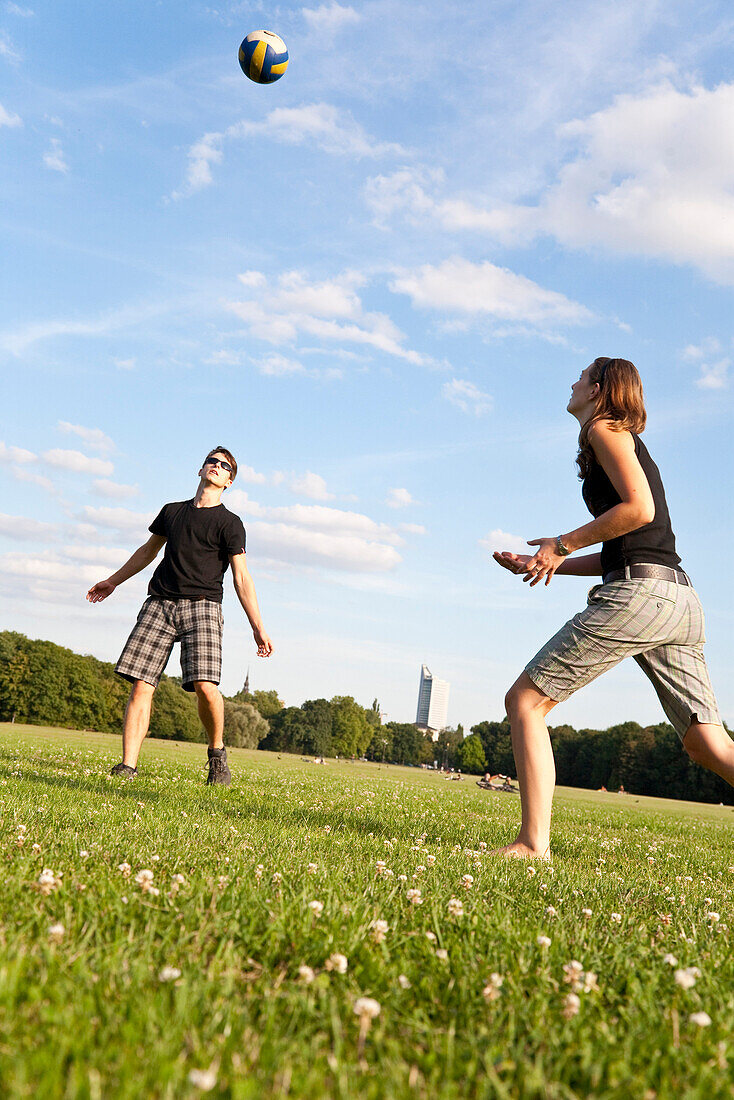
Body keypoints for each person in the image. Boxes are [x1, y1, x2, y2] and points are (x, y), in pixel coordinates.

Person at [493, 358, 730, 859]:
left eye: (580, 376)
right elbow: (629, 544)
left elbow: (639, 510)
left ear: (599, 389)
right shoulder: (611, 437)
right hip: (676, 598)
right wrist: (549, 562)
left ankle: (533, 844)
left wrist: (560, 543)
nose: (572, 382)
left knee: (525, 702)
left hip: (641, 595)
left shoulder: (606, 427)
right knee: (708, 746)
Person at [86, 447, 273, 785]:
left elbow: (241, 577)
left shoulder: (230, 524)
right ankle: (128, 766)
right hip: (159, 603)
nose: (216, 467)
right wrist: (113, 581)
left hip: (203, 607)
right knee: (142, 685)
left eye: (224, 466)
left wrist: (257, 627)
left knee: (204, 685)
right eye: (212, 461)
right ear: (201, 469)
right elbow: (147, 551)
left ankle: (217, 754)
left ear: (229, 481)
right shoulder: (172, 512)